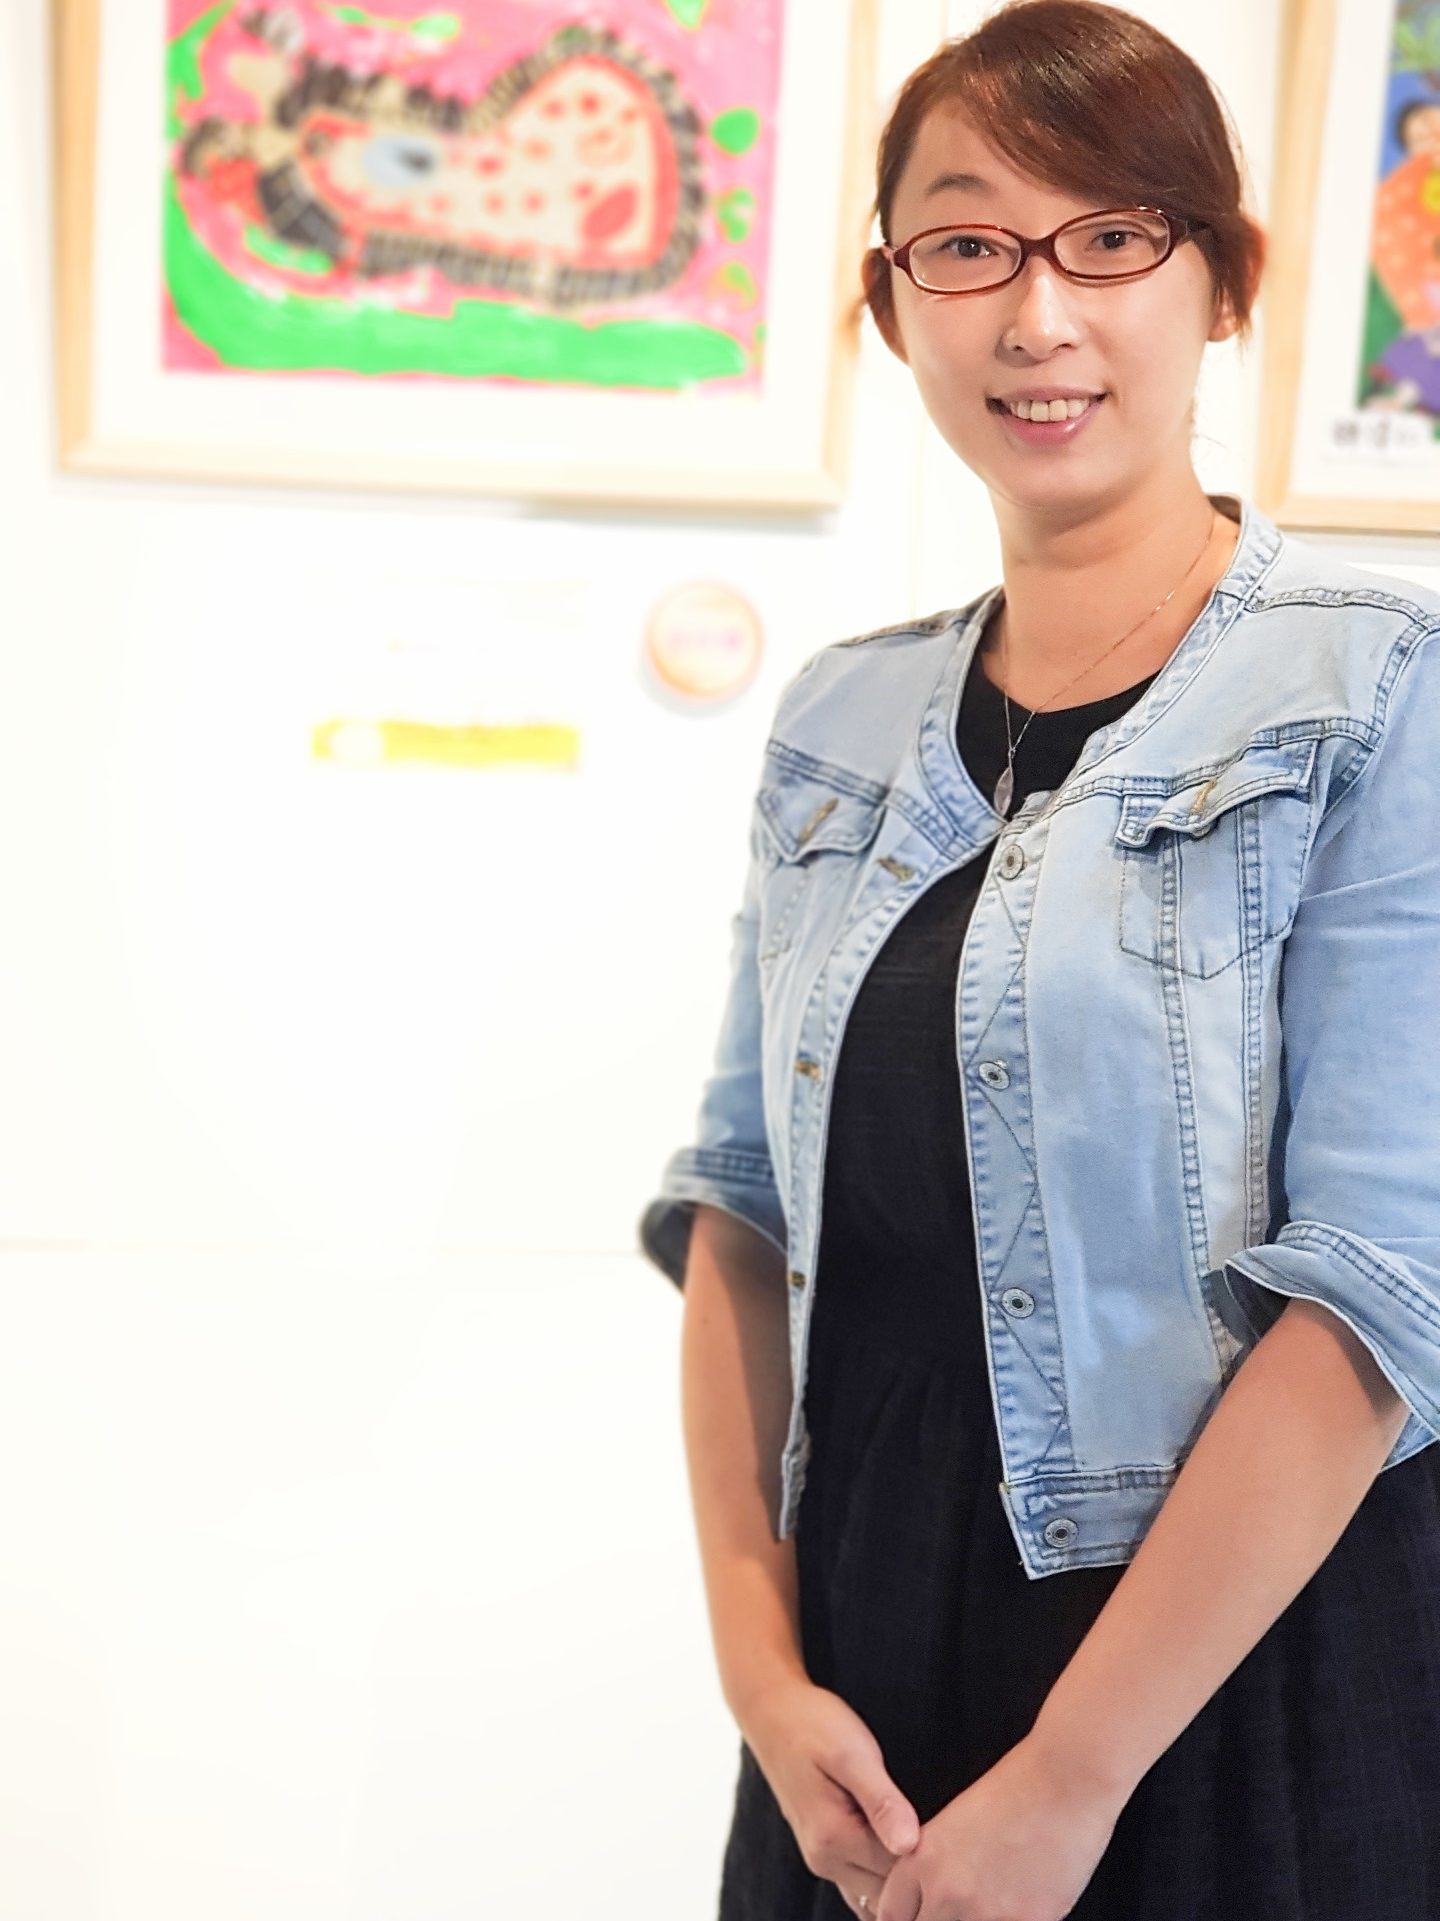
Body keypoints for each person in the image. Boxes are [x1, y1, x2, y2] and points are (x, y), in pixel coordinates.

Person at [637, 3, 1440, 1915]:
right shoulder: (840, 717)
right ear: (891, 298)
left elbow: (1385, 1291)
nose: (1038, 313)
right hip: (864, 1660)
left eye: (1113, 236)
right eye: (970, 244)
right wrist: (761, 1677)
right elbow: (739, 1208)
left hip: (1233, 1675)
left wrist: (1073, 1777)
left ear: (1223, 283)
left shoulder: (1378, 686)